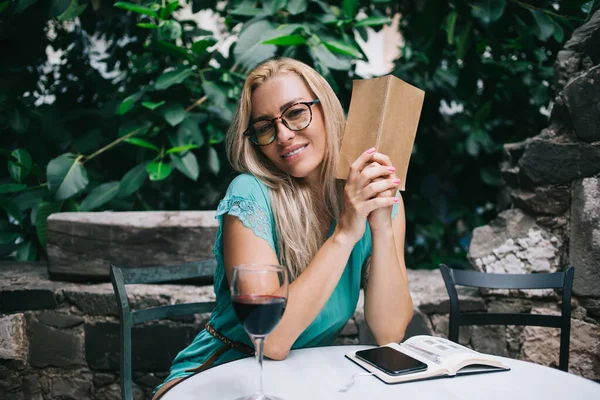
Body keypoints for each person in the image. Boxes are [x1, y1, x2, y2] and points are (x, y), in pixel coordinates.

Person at [152, 57, 413, 399]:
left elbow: (390, 332)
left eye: (295, 112)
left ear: (326, 110)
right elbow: (271, 340)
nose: (284, 135)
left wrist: (379, 226)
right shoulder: (250, 193)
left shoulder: (372, 195)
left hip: (297, 384)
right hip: (216, 378)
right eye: (265, 126)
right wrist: (345, 234)